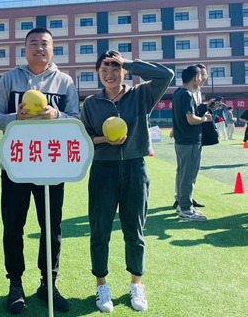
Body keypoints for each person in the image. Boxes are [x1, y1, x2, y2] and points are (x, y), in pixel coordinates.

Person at [0, 27, 80, 314]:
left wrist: (57, 114)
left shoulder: (64, 81)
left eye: (44, 43)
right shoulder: (9, 78)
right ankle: (15, 284)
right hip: (16, 164)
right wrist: (14, 118)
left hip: (52, 166)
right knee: (13, 227)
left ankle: (48, 284)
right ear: (25, 49)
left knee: (51, 229)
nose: (39, 48)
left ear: (52, 49)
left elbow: (76, 119)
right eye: (33, 43)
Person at [80, 50, 173, 313]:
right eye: (104, 70)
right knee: (100, 230)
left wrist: (130, 63)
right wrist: (103, 140)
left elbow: (167, 75)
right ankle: (101, 285)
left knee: (135, 231)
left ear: (124, 72)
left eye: (115, 69)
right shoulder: (91, 103)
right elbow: (83, 137)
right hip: (103, 170)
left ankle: (136, 284)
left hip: (135, 167)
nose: (109, 74)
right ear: (98, 73)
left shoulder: (142, 94)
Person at [172, 66, 213, 222]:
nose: (202, 79)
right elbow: (191, 119)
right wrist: (205, 119)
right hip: (190, 140)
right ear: (195, 77)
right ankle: (186, 209)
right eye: (201, 76)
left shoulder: (178, 92)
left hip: (182, 140)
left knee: (182, 174)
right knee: (188, 176)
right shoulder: (187, 94)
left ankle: (182, 204)